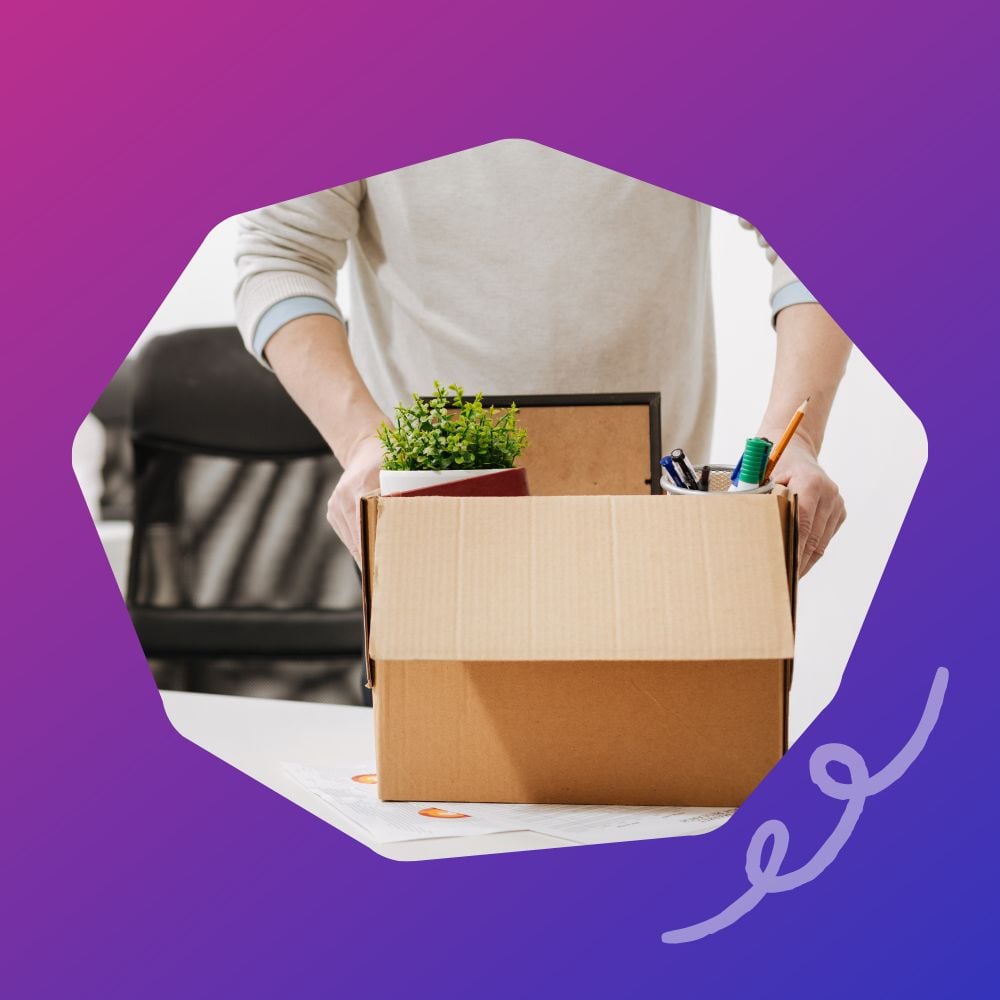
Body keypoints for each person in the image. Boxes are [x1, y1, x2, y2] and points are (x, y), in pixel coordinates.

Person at [234, 139, 848, 578]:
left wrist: (794, 434)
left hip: (653, 526)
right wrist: (364, 443)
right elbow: (279, 258)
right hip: (434, 524)